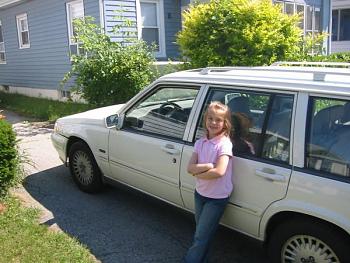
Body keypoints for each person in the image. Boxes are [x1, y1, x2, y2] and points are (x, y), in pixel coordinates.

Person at [185, 101, 233, 263]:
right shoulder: (200, 142)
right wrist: (207, 166)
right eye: (210, 118)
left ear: (225, 123)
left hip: (216, 198)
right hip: (200, 194)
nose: (213, 122)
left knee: (200, 236)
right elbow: (189, 167)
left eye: (218, 120)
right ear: (205, 119)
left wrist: (197, 173)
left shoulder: (224, 144)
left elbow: (219, 171)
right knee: (202, 233)